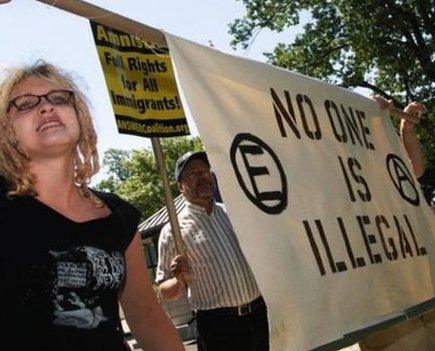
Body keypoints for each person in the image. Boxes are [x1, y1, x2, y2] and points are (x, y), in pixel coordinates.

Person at [0, 62, 184, 351]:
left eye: (59, 99)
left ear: (80, 118)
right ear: (8, 132)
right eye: (25, 104)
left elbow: (147, 317)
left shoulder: (119, 217)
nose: (47, 107)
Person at [357, 96, 435, 351]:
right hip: (380, 288)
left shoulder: (387, 166)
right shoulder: (346, 172)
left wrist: (405, 130)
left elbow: (415, 168)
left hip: (411, 275)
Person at [155, 151, 268, 351]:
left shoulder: (234, 213)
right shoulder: (173, 231)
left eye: (205, 171)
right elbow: (164, 291)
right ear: (180, 186)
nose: (202, 176)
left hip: (259, 317)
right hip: (218, 328)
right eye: (192, 173)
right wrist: (178, 280)